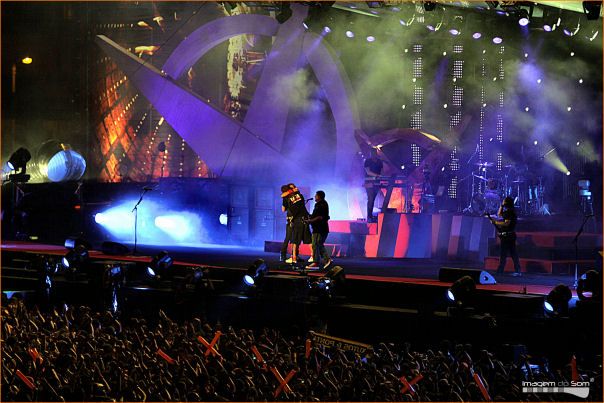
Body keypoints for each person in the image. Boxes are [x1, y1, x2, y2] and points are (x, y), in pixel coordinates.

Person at [489, 196, 522, 276]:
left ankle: (503, 270)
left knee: (507, 254)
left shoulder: (510, 212)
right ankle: (514, 270)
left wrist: (496, 222)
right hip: (509, 235)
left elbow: (506, 223)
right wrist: (501, 206)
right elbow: (499, 214)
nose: (502, 202)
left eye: (504, 201)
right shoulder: (509, 211)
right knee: (509, 254)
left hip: (508, 236)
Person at [281, 183, 310, 264]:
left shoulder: (296, 196)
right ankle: (284, 255)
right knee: (289, 237)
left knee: (295, 238)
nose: (296, 188)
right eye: (293, 188)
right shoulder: (287, 197)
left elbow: (284, 209)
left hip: (296, 219)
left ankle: (294, 256)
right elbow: (283, 209)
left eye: (295, 187)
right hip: (291, 219)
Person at [305, 191, 332, 269]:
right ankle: (324, 260)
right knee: (317, 244)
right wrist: (310, 217)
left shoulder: (321, 204)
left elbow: (320, 217)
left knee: (316, 244)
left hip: (320, 228)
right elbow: (317, 216)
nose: (314, 197)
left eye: (316, 195)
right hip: (319, 228)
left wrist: (310, 221)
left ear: (319, 196)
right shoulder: (321, 204)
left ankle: (319, 261)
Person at [364, 148, 384, 222]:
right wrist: (377, 176)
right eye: (372, 153)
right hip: (369, 182)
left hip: (377, 183)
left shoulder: (379, 161)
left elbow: (382, 171)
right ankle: (369, 216)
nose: (373, 154)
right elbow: (368, 172)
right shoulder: (367, 161)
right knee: (371, 199)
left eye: (374, 153)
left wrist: (381, 177)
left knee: (373, 199)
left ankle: (371, 215)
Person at [279, 184, 293, 262]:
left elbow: (283, 209)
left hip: (290, 218)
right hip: (293, 219)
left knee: (289, 238)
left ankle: (284, 255)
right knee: (291, 238)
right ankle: (292, 255)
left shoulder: (285, 197)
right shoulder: (294, 196)